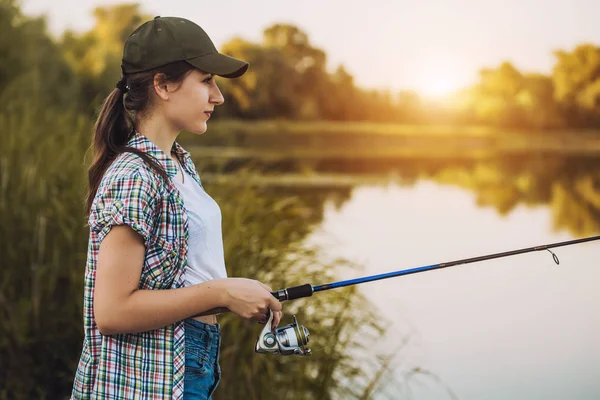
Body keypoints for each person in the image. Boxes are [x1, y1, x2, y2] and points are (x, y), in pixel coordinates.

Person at [71, 16, 282, 400]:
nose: (217, 97)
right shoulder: (134, 175)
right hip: (154, 381)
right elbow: (113, 312)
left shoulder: (179, 164)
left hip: (190, 362)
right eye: (206, 81)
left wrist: (236, 293)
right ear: (163, 85)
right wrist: (223, 293)